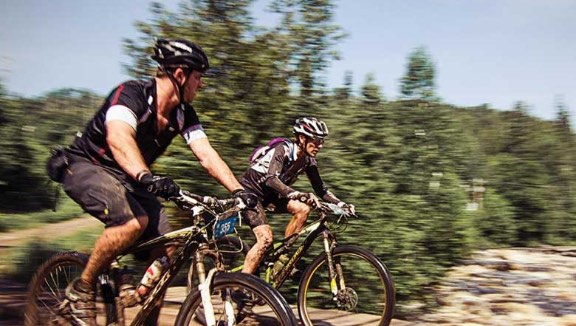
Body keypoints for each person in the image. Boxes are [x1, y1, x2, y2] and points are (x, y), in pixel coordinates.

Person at [57, 38, 255, 326]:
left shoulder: (183, 113)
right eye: (198, 77)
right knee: (132, 222)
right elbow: (118, 137)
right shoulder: (131, 94)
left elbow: (206, 154)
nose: (201, 85)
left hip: (132, 177)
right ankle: (82, 289)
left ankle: (129, 291)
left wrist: (238, 189)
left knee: (168, 256)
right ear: (179, 75)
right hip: (87, 165)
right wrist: (145, 176)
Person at [239, 117, 355, 274]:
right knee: (265, 239)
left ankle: (283, 257)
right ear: (302, 138)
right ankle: (241, 286)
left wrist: (342, 204)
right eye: (316, 140)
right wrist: (297, 194)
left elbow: (321, 189)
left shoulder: (308, 160)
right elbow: (271, 179)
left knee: (303, 209)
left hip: (271, 197)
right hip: (250, 193)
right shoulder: (283, 149)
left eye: (322, 141)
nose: (320, 145)